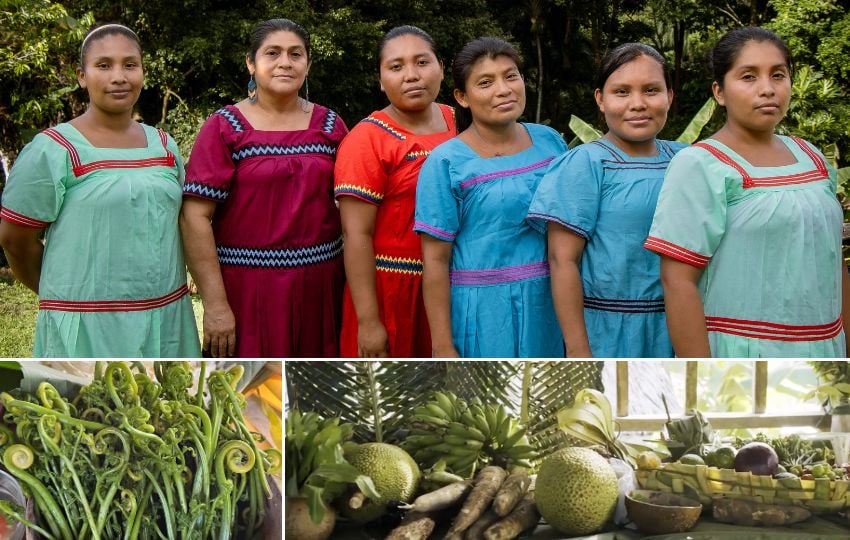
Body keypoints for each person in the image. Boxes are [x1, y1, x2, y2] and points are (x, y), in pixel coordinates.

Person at [645, 27, 849, 357]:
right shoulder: (700, 165)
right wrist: (702, 377)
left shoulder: (812, 156)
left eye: (778, 75)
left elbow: (834, 260)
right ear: (719, 91)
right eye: (748, 77)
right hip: (743, 355)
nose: (767, 89)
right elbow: (677, 283)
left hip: (827, 349)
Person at [0, 24, 200, 357]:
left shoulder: (164, 145)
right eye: (104, 65)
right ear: (82, 75)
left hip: (166, 322)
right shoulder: (54, 149)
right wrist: (68, 299)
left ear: (142, 72)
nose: (119, 76)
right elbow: (15, 241)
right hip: (86, 328)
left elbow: (179, 225)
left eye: (129, 64)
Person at [180, 19, 347, 358]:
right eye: (273, 53)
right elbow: (194, 217)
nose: (285, 62)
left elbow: (352, 210)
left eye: (295, 54)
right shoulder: (225, 127)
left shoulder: (331, 125)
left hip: (322, 290)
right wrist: (215, 305)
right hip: (247, 292)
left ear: (308, 64)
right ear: (251, 63)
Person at [528, 43, 686, 357]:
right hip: (608, 331)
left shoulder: (686, 160)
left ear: (669, 95)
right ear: (601, 99)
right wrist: (578, 351)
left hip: (680, 326)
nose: (638, 104)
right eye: (622, 92)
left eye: (651, 90)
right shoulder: (586, 164)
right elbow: (563, 262)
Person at [414, 37, 567, 357]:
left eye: (511, 76)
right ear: (462, 97)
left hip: (550, 302)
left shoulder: (550, 142)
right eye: (486, 82)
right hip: (481, 310)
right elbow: (436, 260)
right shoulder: (445, 162)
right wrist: (442, 345)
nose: (504, 89)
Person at [334, 25, 455, 358]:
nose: (412, 75)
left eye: (422, 62)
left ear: (441, 68)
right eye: (396, 66)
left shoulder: (462, 122)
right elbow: (355, 234)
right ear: (381, 79)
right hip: (394, 294)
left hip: (458, 287)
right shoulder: (367, 140)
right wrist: (369, 322)